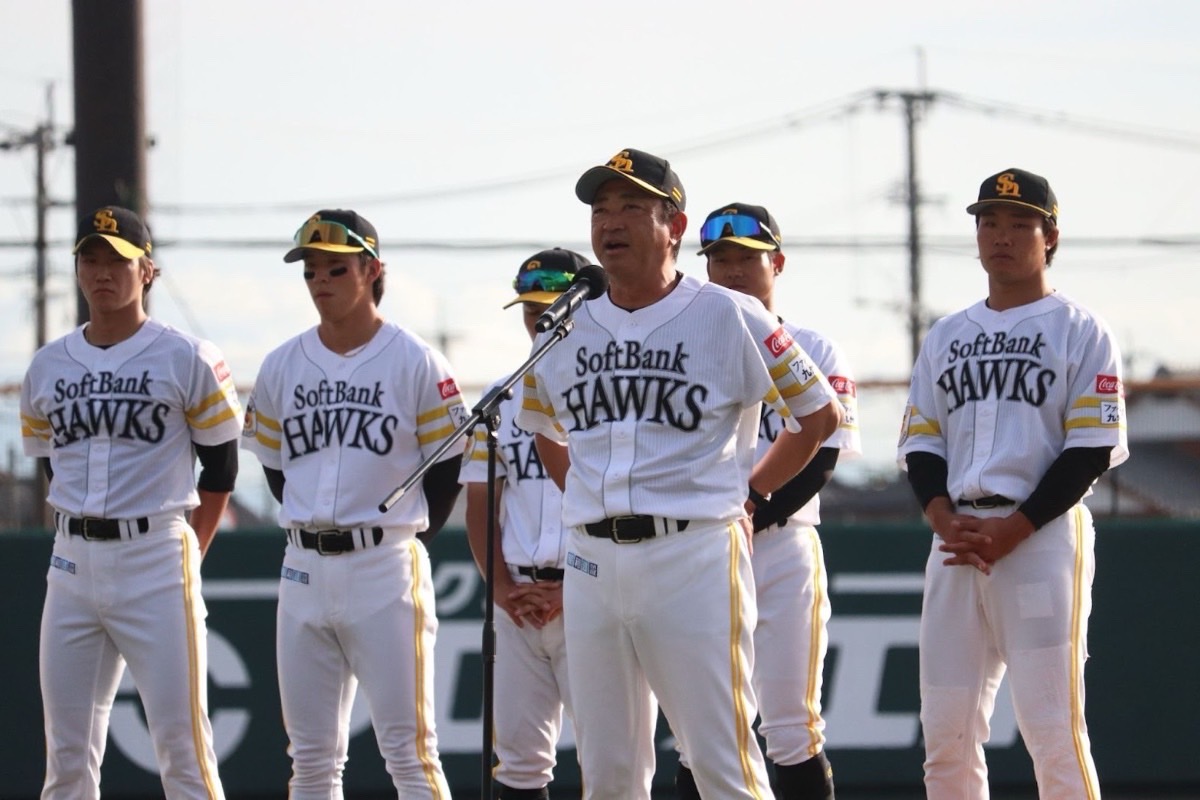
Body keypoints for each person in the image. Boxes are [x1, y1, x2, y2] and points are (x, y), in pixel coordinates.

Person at [517, 148, 843, 800]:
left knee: (721, 762)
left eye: (632, 206)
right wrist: (582, 495)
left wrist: (752, 492)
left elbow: (818, 417)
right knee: (608, 773)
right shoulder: (566, 325)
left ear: (675, 223)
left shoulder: (730, 313)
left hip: (693, 550)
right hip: (592, 560)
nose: (611, 221)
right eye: (601, 208)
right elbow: (542, 425)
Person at [897, 168, 1128, 799]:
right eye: (988, 221)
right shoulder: (946, 335)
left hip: (1041, 538)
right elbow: (921, 442)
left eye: (1019, 222)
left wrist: (1014, 529)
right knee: (945, 736)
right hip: (957, 538)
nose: (1001, 235)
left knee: (1052, 729)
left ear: (1050, 235)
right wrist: (944, 519)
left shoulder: (1080, 329)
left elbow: (1091, 448)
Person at [241, 209, 465, 798]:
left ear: (372, 269)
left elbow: (447, 470)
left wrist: (403, 541)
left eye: (335, 269)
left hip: (383, 562)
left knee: (411, 754)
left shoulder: (414, 359)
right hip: (304, 566)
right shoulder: (281, 364)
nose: (320, 282)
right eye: (311, 270)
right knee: (311, 760)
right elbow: (273, 465)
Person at [19, 206, 240, 799]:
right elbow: (50, 464)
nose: (102, 272)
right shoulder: (47, 365)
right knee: (66, 756)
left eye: (117, 260)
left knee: (183, 751)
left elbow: (222, 466)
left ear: (147, 271)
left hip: (156, 553)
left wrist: (191, 551)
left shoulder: (187, 355)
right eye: (90, 258)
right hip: (71, 561)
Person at [673, 203, 862, 800]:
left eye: (745, 260)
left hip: (781, 547)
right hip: (700, 547)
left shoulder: (813, 347)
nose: (730, 272)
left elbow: (823, 453)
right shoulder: (682, 350)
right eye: (719, 260)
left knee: (790, 727)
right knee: (699, 732)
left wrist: (754, 509)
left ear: (776, 264)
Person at [459, 248, 588, 799]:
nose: (539, 321)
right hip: (516, 601)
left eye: (549, 307)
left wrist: (571, 589)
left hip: (590, 592)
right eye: (529, 310)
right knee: (516, 764)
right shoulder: (500, 396)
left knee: (611, 761)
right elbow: (480, 504)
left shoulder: (603, 388)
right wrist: (505, 590)